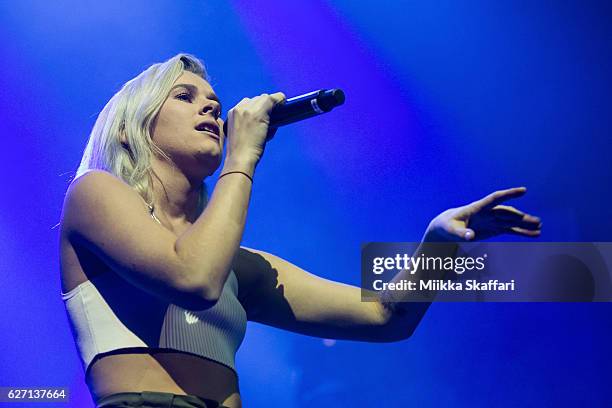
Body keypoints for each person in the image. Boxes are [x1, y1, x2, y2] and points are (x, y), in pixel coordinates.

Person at [59, 54, 542, 408]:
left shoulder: (237, 269)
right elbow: (194, 281)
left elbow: (386, 319)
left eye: (214, 102)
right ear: (129, 128)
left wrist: (437, 244)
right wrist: (243, 157)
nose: (210, 110)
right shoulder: (93, 194)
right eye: (184, 97)